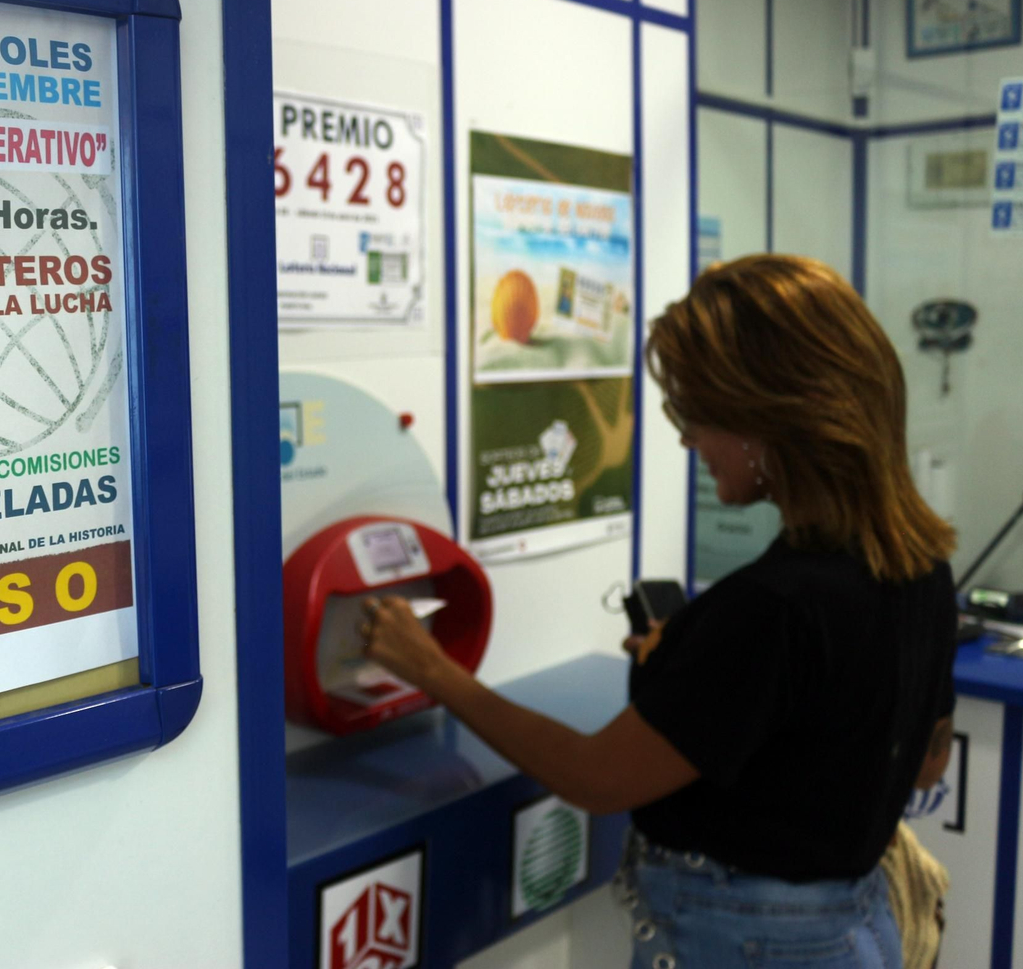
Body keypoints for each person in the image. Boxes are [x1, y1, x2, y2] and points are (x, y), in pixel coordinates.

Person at [361, 254, 959, 969]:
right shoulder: (920, 567)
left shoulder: (772, 608)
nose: (685, 439)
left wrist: (432, 667)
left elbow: (595, 777)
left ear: (767, 418)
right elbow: (926, 761)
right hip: (854, 932)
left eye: (696, 414)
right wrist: (705, 686)